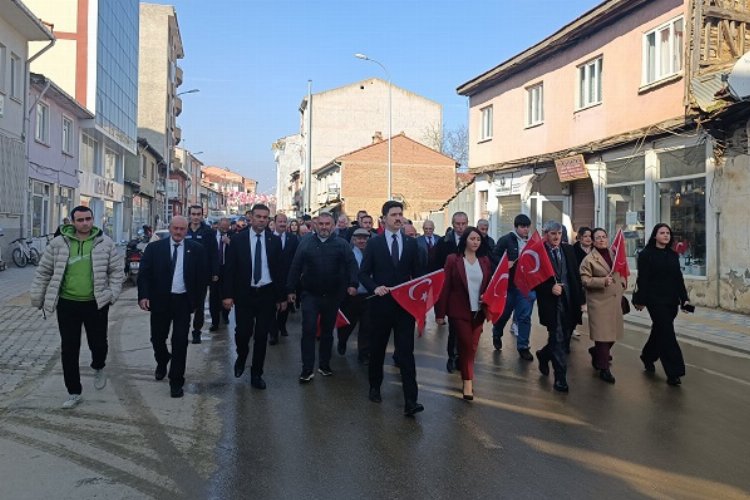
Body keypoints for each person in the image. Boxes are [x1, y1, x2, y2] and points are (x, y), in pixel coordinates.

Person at [31, 206, 123, 408]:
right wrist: (38, 298)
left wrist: (112, 294)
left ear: (93, 219)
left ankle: (98, 365)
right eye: (80, 220)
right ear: (72, 222)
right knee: (69, 348)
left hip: (96, 303)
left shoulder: (104, 243)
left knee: (98, 344)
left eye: (88, 219)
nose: (85, 223)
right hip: (67, 303)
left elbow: (117, 271)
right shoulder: (58, 244)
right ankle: (73, 391)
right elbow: (44, 271)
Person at [359, 200, 424, 416]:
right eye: (394, 214)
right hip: (381, 306)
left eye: (400, 214)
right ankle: (375, 385)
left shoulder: (411, 243)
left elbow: (419, 276)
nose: (398, 218)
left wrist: (419, 296)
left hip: (405, 308)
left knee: (406, 353)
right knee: (377, 350)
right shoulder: (374, 244)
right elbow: (362, 273)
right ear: (384, 218)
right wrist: (374, 287)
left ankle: (411, 400)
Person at [138, 216, 207, 398]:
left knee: (180, 341)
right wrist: (144, 296)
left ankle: (176, 381)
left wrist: (198, 304)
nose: (178, 232)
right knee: (157, 339)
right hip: (160, 300)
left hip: (183, 302)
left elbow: (201, 279)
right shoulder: (154, 249)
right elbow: (144, 274)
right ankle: (162, 361)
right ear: (169, 229)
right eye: (175, 228)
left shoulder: (196, 250)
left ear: (187, 230)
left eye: (182, 229)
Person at [287, 212, 358, 381]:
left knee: (327, 332)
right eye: (321, 224)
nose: (324, 227)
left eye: (328, 224)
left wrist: (353, 284)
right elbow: (295, 266)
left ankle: (324, 365)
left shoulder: (341, 244)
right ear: (315, 225)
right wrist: (290, 290)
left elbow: (352, 265)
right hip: (310, 295)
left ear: (333, 226)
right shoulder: (305, 243)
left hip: (332, 296)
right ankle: (307, 369)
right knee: (309, 330)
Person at [222, 204, 286, 389]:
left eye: (265, 217)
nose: (261, 220)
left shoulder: (274, 242)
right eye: (258, 216)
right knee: (243, 333)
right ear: (251, 217)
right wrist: (227, 295)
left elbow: (280, 271)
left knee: (261, 336)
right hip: (245, 294)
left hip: (266, 293)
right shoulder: (238, 240)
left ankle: (257, 374)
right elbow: (230, 269)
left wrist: (281, 297)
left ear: (269, 220)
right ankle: (241, 357)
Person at [434, 227, 492, 400]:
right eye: (472, 238)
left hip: (478, 311)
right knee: (466, 344)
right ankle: (468, 382)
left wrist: (487, 299)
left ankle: (466, 371)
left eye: (478, 240)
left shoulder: (485, 261)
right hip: (459, 310)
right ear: (465, 240)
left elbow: (489, 284)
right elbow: (445, 287)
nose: (475, 242)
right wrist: (440, 313)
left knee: (472, 347)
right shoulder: (454, 259)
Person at [632, 223, 690, 386]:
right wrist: (640, 300)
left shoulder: (673, 255)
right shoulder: (646, 255)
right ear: (655, 236)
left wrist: (684, 298)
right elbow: (642, 279)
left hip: (671, 301)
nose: (666, 235)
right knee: (667, 333)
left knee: (660, 331)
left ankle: (647, 356)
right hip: (654, 300)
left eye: (668, 233)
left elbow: (678, 278)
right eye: (662, 233)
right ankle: (674, 372)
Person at [534, 221, 584, 393]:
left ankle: (543, 354)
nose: (556, 237)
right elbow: (534, 280)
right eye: (553, 233)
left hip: (570, 302)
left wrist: (581, 300)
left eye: (559, 233)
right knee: (559, 339)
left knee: (563, 338)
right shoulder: (539, 253)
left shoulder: (568, 250)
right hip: (551, 304)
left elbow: (575, 276)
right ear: (545, 234)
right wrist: (549, 288)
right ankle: (560, 378)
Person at [579, 228, 626, 384]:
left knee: (612, 335)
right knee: (602, 337)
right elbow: (585, 280)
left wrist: (623, 284)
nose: (601, 240)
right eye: (597, 237)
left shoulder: (614, 253)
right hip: (598, 302)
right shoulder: (589, 259)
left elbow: (620, 270)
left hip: (614, 301)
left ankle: (597, 353)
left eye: (604, 237)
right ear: (592, 241)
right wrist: (601, 281)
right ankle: (604, 369)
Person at [491, 214, 536, 360]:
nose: (525, 230)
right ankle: (497, 332)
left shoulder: (532, 242)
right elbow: (494, 257)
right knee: (504, 314)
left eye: (527, 227)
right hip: (509, 286)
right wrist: (505, 264)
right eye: (522, 227)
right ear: (516, 227)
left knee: (524, 317)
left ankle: (523, 346)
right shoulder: (506, 240)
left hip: (525, 286)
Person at [435, 211, 469, 372]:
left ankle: (464, 358)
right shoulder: (444, 242)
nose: (461, 227)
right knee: (454, 328)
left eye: (464, 224)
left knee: (468, 329)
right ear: (453, 224)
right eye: (458, 224)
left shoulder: (475, 240)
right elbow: (436, 266)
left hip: (470, 292)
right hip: (452, 291)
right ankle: (452, 357)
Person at [337, 228, 373, 363]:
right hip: (352, 296)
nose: (362, 241)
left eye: (364, 238)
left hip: (368, 295)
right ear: (353, 239)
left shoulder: (372, 254)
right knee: (348, 324)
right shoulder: (349, 254)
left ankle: (363, 353)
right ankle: (342, 341)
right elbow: (342, 274)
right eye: (359, 238)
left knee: (366, 326)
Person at [185, 205, 219, 345]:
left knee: (199, 304)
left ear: (202, 215)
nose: (196, 216)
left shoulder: (208, 232)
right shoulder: (184, 230)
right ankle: (183, 329)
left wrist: (215, 272)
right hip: (185, 274)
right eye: (193, 214)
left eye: (199, 214)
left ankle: (197, 332)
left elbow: (214, 253)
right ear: (189, 215)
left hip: (202, 274)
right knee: (184, 304)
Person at [270, 213, 299, 345]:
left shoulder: (292, 239)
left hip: (288, 277)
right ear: (274, 223)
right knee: (272, 306)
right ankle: (273, 333)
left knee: (285, 305)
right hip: (272, 278)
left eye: (284, 222)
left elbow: (296, 258)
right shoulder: (268, 238)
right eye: (280, 221)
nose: (282, 224)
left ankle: (282, 325)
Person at [209, 217, 232, 331]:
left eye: (226, 227)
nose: (224, 229)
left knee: (227, 295)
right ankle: (215, 322)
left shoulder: (233, 236)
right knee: (214, 298)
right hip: (215, 270)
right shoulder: (211, 236)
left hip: (227, 271)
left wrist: (230, 243)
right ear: (218, 225)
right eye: (222, 227)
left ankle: (226, 315)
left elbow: (239, 252)